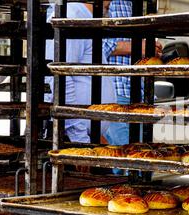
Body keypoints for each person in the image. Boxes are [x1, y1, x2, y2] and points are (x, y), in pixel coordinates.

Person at [45, 2, 116, 144]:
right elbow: (59, 79)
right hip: (68, 137)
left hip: (83, 135)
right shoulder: (73, 16)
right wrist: (79, 137)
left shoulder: (84, 19)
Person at [103, 0, 162, 146]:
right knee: (125, 154)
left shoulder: (129, 4)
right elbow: (100, 45)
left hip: (136, 90)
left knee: (139, 152)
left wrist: (149, 46)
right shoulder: (108, 4)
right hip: (117, 90)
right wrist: (138, 47)